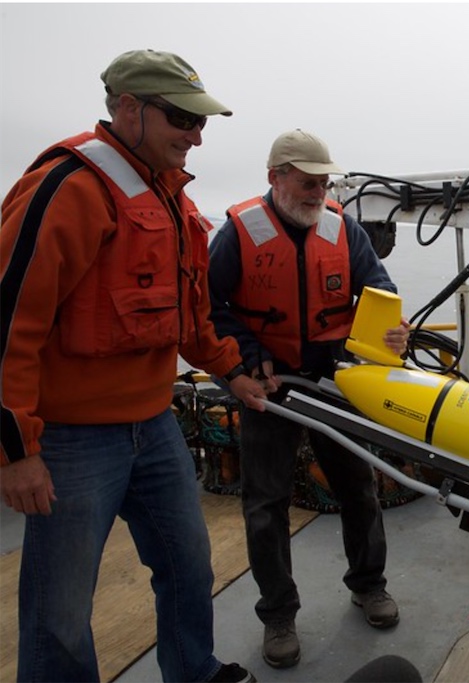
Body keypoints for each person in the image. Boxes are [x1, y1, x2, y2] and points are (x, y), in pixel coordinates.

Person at [0, 49, 267, 682]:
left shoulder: (171, 201)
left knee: (188, 565)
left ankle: (194, 671)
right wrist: (16, 451)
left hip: (154, 424)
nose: (195, 135)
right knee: (59, 609)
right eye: (181, 118)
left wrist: (232, 371)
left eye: (201, 122)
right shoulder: (66, 188)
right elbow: (9, 321)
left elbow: (189, 317)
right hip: (69, 441)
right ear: (128, 109)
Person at [207, 129, 409, 670]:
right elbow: (211, 303)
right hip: (270, 388)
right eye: (306, 182)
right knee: (265, 505)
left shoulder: (343, 229)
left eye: (323, 182)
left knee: (358, 489)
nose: (318, 191)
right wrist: (247, 355)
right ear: (275, 178)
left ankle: (369, 585)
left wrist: (393, 328)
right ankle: (278, 614)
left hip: (334, 380)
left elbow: (377, 288)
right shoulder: (238, 233)